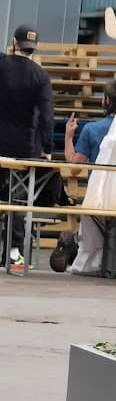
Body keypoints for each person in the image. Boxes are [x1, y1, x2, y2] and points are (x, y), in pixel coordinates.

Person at [50, 80, 116, 273]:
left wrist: (68, 137)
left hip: (99, 195)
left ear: (106, 100)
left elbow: (74, 167)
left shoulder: (92, 129)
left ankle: (78, 249)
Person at [0, 24, 54, 270]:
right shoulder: (40, 76)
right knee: (17, 201)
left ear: (14, 42)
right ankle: (13, 254)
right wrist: (47, 148)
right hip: (23, 147)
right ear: (35, 47)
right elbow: (47, 116)